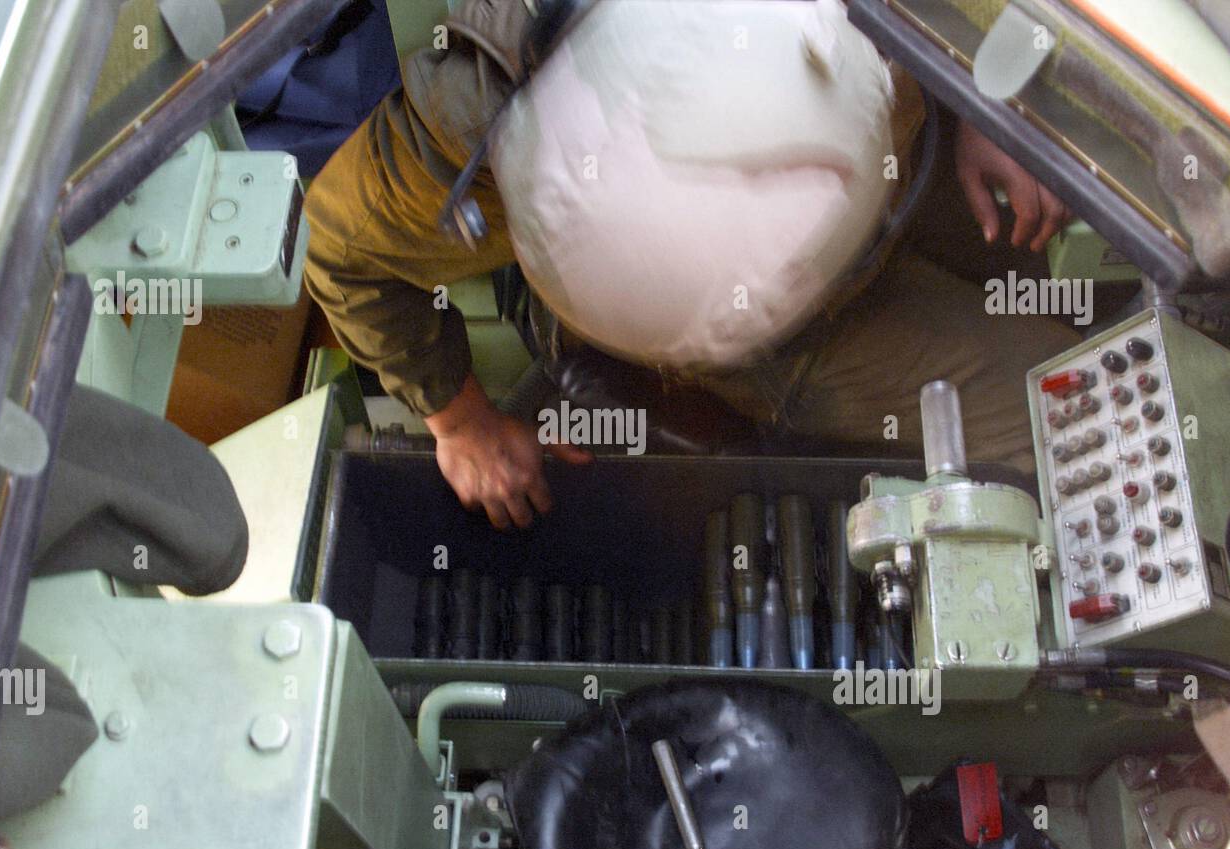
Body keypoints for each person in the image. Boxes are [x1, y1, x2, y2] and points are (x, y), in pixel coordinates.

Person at [304, 0, 1079, 531]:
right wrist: (459, 421)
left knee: (1058, 277)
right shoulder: (469, 120)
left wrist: (983, 88)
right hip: (809, 341)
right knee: (1066, 426)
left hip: (911, 128)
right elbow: (337, 246)